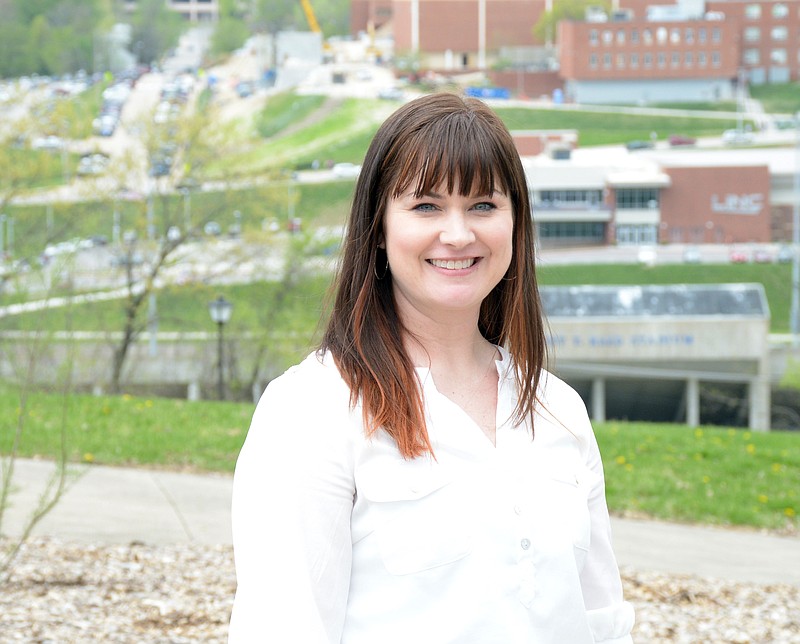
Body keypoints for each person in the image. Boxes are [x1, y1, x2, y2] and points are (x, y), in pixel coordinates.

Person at [229, 92, 635, 643]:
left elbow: (601, 623)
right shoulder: (313, 409)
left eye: (484, 206)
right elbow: (284, 629)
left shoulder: (558, 408)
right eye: (426, 206)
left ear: (516, 223)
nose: (459, 234)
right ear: (377, 227)